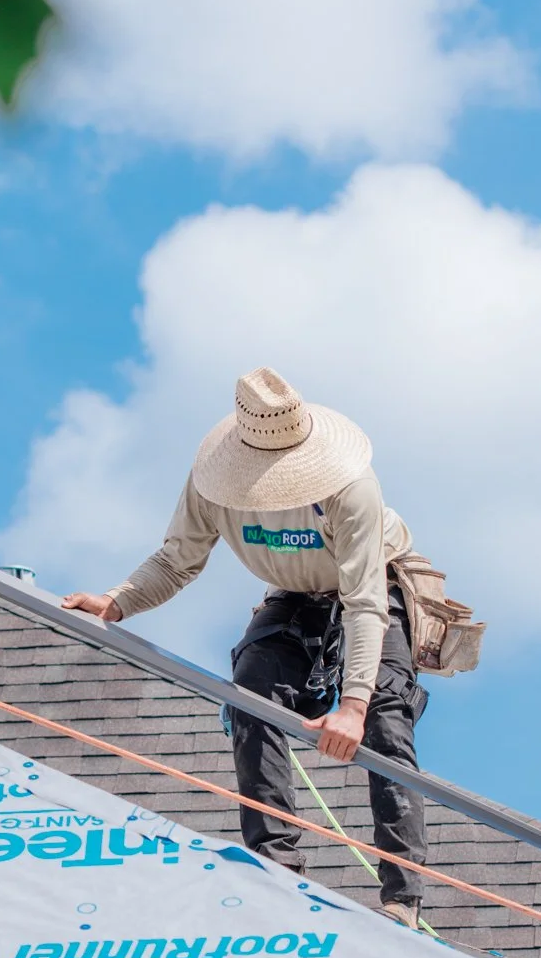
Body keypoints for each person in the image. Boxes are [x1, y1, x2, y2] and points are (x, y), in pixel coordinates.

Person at [63, 367, 430, 927]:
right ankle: (276, 868)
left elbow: (364, 602)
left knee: (384, 721)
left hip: (374, 586)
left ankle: (401, 898)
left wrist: (351, 707)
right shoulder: (214, 483)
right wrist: (115, 603)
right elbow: (175, 560)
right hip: (293, 594)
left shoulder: (349, 486)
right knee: (252, 692)